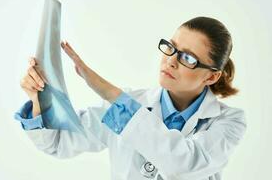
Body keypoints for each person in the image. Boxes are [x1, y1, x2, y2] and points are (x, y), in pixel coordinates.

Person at [15, 16, 247, 180]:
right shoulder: (127, 104)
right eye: (171, 47)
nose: (171, 61)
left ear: (211, 76)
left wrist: (106, 89)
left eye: (188, 58)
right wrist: (39, 99)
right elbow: (58, 143)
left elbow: (183, 165)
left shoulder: (228, 121)